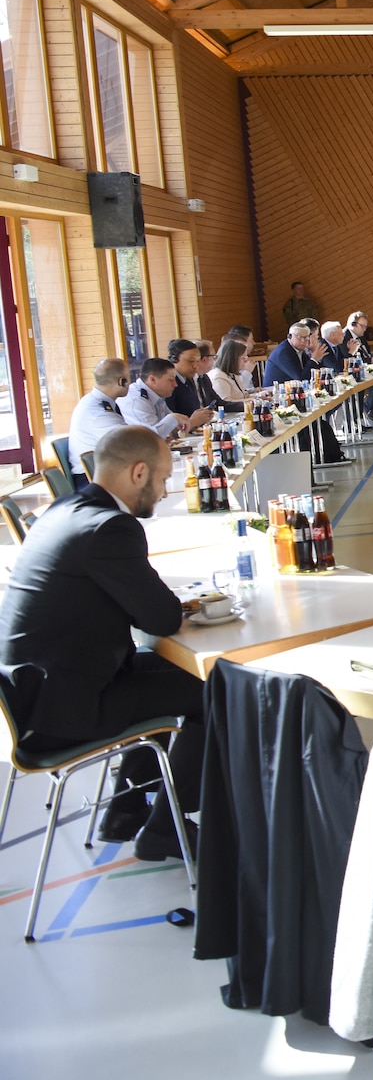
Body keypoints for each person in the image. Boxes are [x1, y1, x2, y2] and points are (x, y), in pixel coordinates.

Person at [0, 427, 203, 859]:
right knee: (213, 689)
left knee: (174, 673)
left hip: (33, 692)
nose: (165, 491)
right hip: (63, 708)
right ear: (139, 472)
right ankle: (165, 830)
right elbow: (161, 618)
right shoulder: (110, 528)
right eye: (163, 479)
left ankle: (125, 808)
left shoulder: (66, 508)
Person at [265, 321, 350, 463]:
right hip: (279, 399)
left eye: (306, 338)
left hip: (297, 396)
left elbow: (315, 373)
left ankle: (328, 455)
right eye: (300, 337)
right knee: (313, 422)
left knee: (318, 421)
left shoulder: (300, 351)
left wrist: (315, 358)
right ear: (290, 336)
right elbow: (301, 377)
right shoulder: (284, 352)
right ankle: (319, 457)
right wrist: (314, 358)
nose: (304, 341)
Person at [123, 357, 212, 438]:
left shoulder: (157, 394)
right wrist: (190, 422)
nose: (175, 384)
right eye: (170, 380)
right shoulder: (136, 400)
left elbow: (172, 429)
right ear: (152, 379)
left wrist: (187, 421)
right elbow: (151, 437)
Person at [66, 358, 135, 459]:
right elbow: (130, 441)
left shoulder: (93, 401)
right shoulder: (98, 412)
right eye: (129, 378)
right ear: (122, 381)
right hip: (92, 473)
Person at [209, 339, 261, 407]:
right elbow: (226, 403)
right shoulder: (219, 377)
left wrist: (258, 397)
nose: (246, 361)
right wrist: (254, 400)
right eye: (243, 358)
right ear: (232, 359)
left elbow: (243, 396)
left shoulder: (232, 374)